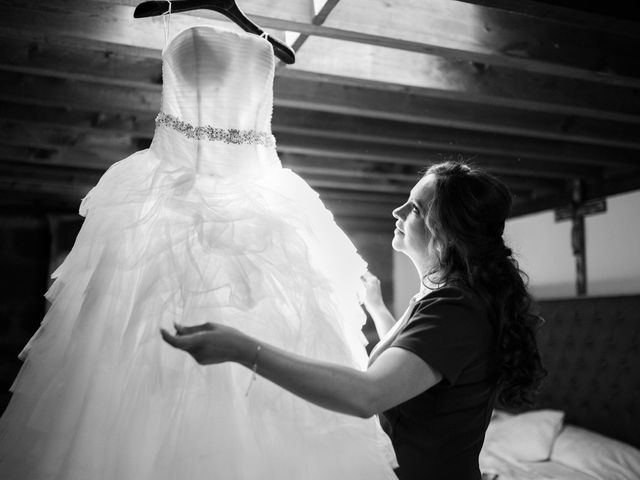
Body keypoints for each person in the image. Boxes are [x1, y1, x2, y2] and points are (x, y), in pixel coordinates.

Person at [0, 25, 398, 480]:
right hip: (171, 193)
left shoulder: (253, 48)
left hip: (257, 209)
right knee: (132, 364)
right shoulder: (183, 23)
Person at [162, 161, 547, 480]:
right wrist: (377, 308)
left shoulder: (456, 310)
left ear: (445, 229)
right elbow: (415, 364)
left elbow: (369, 395)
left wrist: (241, 348)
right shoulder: (442, 299)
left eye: (414, 208)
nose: (397, 211)